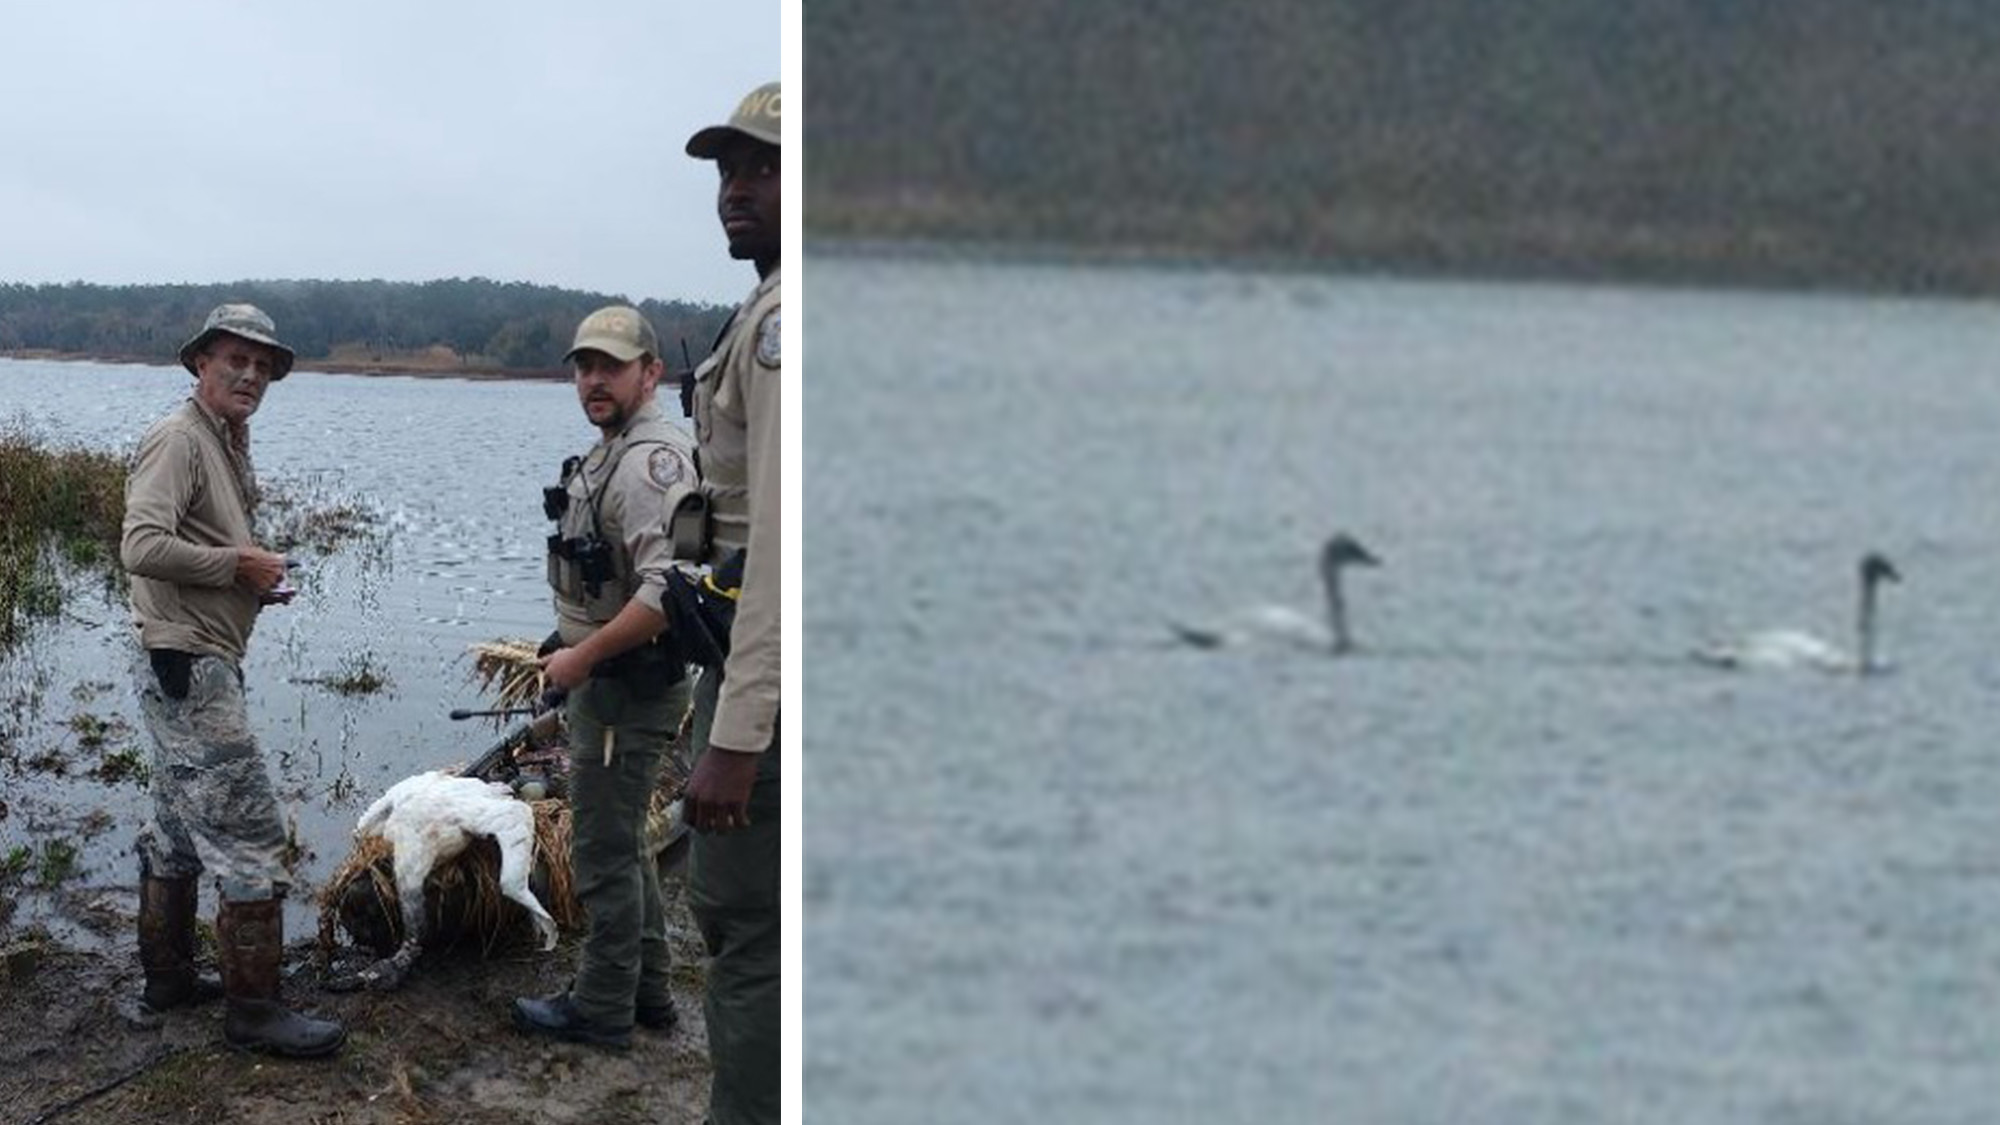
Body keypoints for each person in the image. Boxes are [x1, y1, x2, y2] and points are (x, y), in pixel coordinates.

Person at [122, 303, 345, 1057]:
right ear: (200, 364)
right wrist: (237, 566)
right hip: (186, 663)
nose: (250, 375)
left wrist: (251, 583)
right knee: (252, 832)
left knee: (178, 826)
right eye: (234, 361)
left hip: (189, 655)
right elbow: (141, 544)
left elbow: (199, 544)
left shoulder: (224, 440)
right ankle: (255, 1010)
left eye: (262, 366)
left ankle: (169, 980)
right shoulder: (179, 439)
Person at [512, 305, 701, 1049]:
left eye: (611, 367)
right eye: (584, 366)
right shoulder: (612, 451)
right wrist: (570, 633)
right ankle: (648, 991)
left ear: (649, 373)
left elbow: (669, 590)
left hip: (629, 689)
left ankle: (601, 1007)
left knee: (599, 850)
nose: (593, 379)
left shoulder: (654, 463)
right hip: (613, 680)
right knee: (624, 843)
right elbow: (617, 578)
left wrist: (582, 659)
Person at [682, 79, 782, 1125]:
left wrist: (739, 736)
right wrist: (678, 587)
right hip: (739, 646)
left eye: (762, 167)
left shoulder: (782, 327)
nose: (734, 190)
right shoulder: (756, 312)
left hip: (772, 678)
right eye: (726, 168)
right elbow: (718, 503)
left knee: (748, 932)